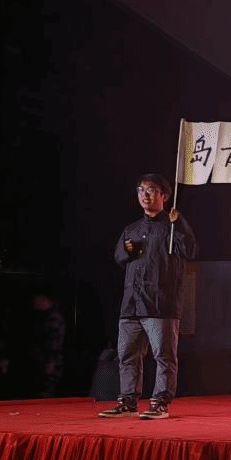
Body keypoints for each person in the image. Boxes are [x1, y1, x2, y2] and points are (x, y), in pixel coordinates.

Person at [98, 174, 197, 419]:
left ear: (164, 196)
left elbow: (190, 250)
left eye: (151, 190)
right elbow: (119, 257)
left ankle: (160, 402)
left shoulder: (172, 228)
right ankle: (128, 401)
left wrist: (179, 224)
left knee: (164, 356)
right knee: (127, 355)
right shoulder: (132, 229)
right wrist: (127, 250)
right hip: (132, 303)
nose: (145, 195)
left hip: (160, 303)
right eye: (140, 190)